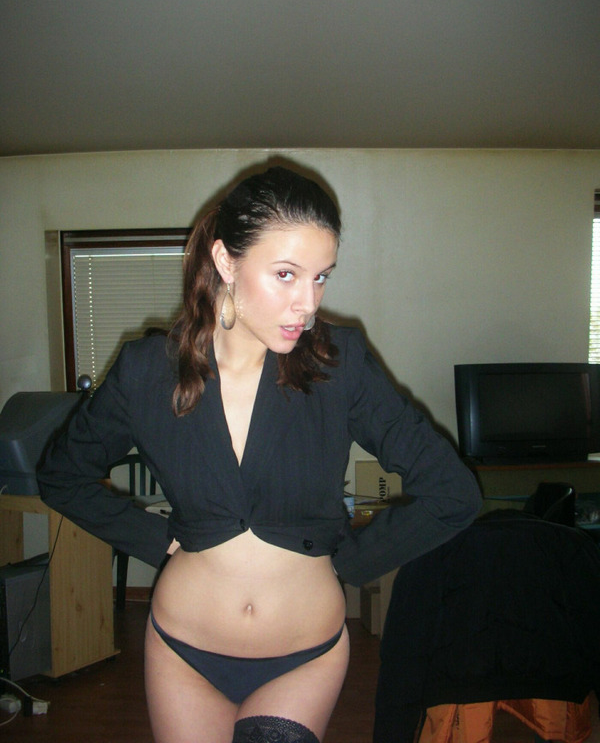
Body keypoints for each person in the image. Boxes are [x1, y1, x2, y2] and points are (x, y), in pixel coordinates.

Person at [38, 164, 482, 743]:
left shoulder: (338, 365)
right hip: (182, 650)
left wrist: (345, 563)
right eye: (286, 275)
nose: (308, 304)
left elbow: (454, 493)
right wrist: (155, 540)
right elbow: (61, 475)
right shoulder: (148, 372)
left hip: (304, 656)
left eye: (321, 278)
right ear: (226, 261)